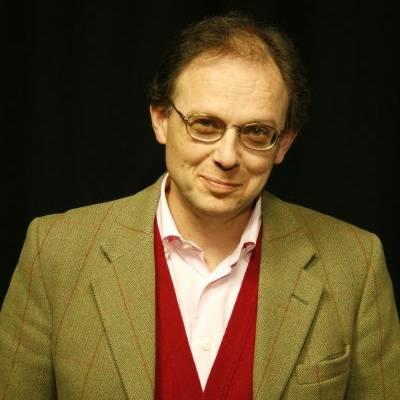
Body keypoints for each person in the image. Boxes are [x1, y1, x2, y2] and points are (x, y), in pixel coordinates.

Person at [0, 13, 399, 400]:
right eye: (205, 124)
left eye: (256, 132)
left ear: (284, 144)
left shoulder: (354, 265)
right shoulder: (56, 252)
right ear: (160, 119)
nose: (227, 156)